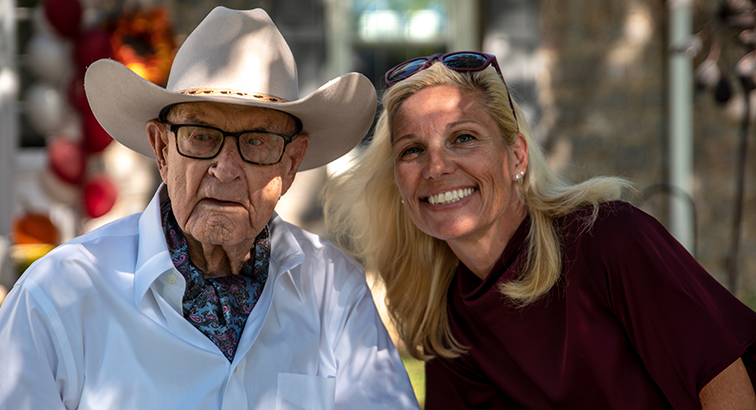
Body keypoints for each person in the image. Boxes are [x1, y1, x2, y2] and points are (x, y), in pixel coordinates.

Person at [0, 7, 419, 410]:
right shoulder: (60, 292)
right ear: (161, 149)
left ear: (291, 163)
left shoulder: (333, 289)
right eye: (201, 136)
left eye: (256, 141)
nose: (225, 170)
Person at [322, 51, 756, 409]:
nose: (436, 167)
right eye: (413, 150)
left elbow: (727, 392)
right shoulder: (453, 315)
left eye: (464, 138)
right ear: (398, 182)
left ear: (517, 157)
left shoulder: (609, 239)